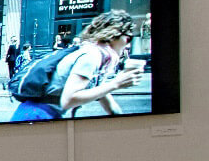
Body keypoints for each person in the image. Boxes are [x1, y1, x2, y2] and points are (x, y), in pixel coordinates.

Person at [10, 10, 143, 122]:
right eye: (128, 38)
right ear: (115, 34)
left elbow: (108, 102)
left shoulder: (97, 55)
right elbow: (68, 100)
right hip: (37, 116)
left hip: (39, 114)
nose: (128, 44)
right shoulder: (92, 55)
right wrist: (116, 83)